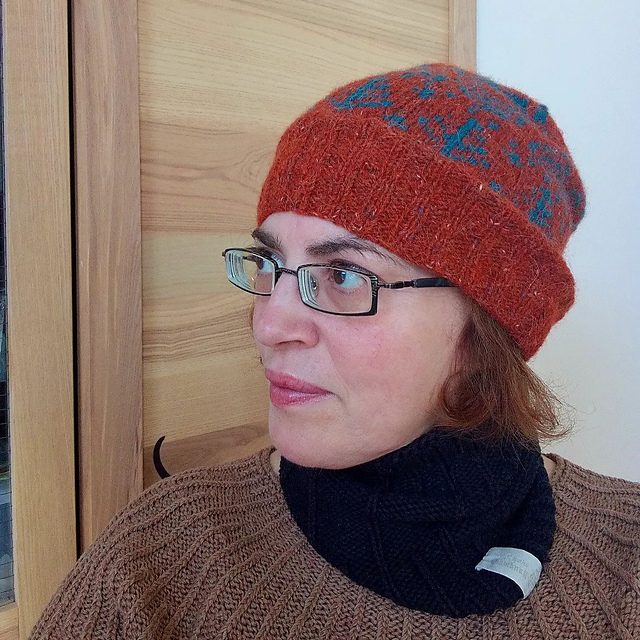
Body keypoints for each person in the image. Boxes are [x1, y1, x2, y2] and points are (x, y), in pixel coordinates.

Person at [30, 63, 640, 639]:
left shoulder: (626, 564)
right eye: (270, 262)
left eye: (345, 275)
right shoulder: (164, 556)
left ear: (485, 331)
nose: (270, 324)